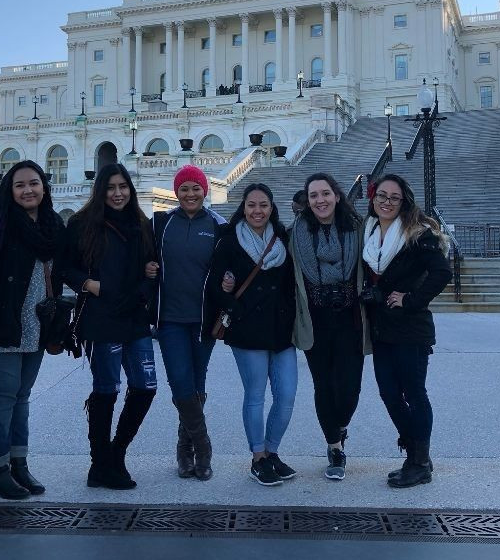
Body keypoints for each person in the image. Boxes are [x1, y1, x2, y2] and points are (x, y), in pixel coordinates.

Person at [0, 160, 65, 499]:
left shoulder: (51, 225)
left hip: (35, 327)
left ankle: (19, 465)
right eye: (20, 185)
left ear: (44, 187)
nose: (28, 190)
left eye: (34, 183)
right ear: (10, 190)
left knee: (21, 398)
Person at [62, 164, 158, 490]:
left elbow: (153, 268)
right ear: (100, 190)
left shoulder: (142, 224)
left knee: (146, 386)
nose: (118, 193)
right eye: (111, 187)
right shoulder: (81, 224)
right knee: (106, 390)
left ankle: (116, 453)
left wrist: (146, 290)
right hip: (101, 317)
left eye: (123, 187)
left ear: (130, 189)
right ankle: (99, 463)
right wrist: (89, 284)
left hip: (134, 315)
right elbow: (64, 267)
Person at [361, 173, 451, 488]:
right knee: (388, 393)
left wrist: (411, 300)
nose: (386, 202)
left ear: (404, 201)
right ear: (373, 199)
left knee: (414, 393)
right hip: (381, 327)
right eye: (381, 196)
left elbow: (442, 272)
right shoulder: (369, 231)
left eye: (394, 197)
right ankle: (413, 452)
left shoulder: (417, 234)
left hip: (411, 329)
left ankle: (419, 461)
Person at [207, 183, 297, 487]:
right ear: (243, 208)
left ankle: (272, 452)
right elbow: (214, 288)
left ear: (272, 208)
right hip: (247, 330)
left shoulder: (281, 237)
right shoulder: (230, 241)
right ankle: (258, 457)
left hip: (282, 330)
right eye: (251, 205)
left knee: (286, 396)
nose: (257, 211)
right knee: (256, 397)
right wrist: (236, 307)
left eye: (263, 205)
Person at [290, 172, 370, 480]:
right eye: (313, 196)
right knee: (323, 386)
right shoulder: (296, 233)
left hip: (350, 319)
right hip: (316, 320)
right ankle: (335, 447)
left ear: (337, 196)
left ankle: (341, 426)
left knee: (349, 389)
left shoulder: (358, 228)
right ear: (307, 202)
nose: (320, 200)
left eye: (325, 194)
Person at [151, 165, 226, 480]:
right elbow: (142, 255)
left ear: (205, 190)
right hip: (169, 319)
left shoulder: (218, 226)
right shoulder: (160, 224)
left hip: (203, 320)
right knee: (180, 381)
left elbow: (227, 266)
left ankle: (186, 448)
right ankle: (202, 446)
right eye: (184, 188)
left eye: (196, 188)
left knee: (197, 382)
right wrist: (147, 268)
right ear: (176, 192)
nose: (190, 194)